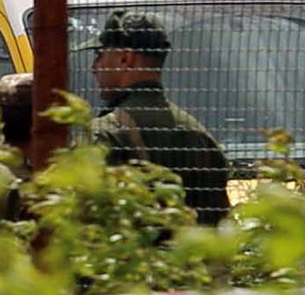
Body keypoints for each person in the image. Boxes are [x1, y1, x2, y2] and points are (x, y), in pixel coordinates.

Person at [90, 11, 232, 225]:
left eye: (99, 55)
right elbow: (219, 226)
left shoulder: (105, 133)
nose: (94, 67)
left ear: (125, 58)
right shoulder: (200, 137)